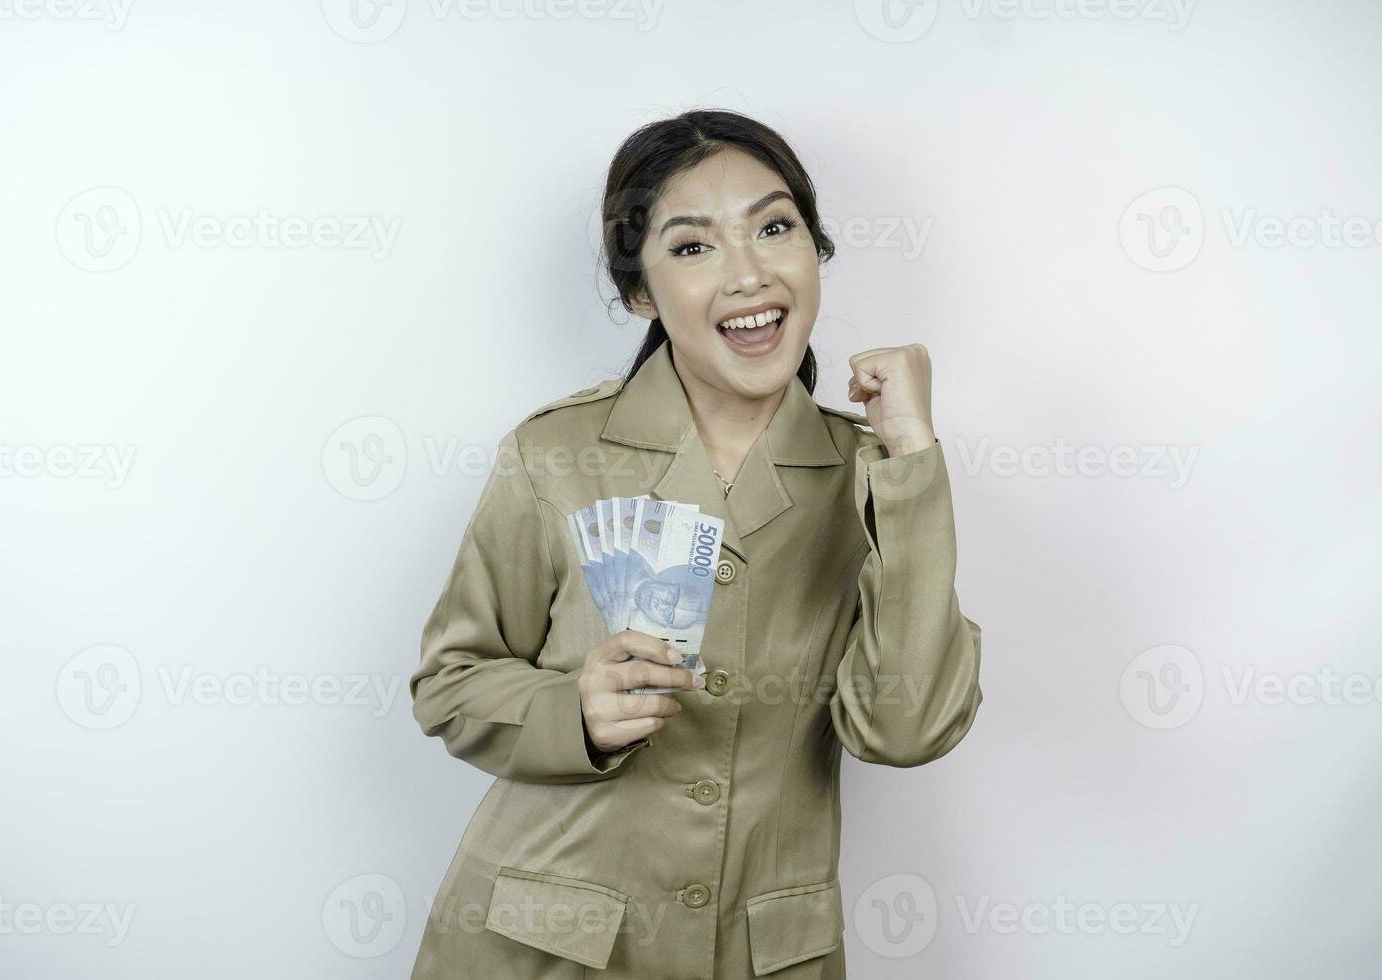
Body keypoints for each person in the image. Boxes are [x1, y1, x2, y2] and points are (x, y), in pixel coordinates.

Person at [408, 108, 984, 979]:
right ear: (639, 290)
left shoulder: (874, 475)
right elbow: (449, 685)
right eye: (693, 247)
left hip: (761, 956)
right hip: (545, 947)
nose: (748, 275)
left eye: (775, 227)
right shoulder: (553, 455)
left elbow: (905, 729)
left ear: (813, 249)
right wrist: (573, 713)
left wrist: (913, 458)